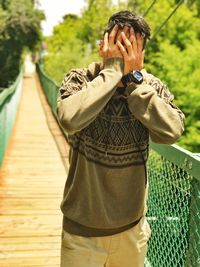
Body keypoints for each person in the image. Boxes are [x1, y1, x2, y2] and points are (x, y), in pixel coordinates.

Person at [57, 10, 184, 267]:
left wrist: (135, 84)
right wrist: (112, 73)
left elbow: (173, 131)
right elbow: (69, 119)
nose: (123, 54)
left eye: (130, 47)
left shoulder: (150, 87)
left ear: (141, 54)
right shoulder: (81, 79)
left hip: (131, 232)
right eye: (119, 45)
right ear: (103, 45)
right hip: (82, 233)